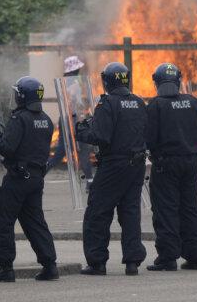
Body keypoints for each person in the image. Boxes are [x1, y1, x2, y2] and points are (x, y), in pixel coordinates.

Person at [0, 76, 59, 282]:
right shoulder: (45, 119)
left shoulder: (20, 118)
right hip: (36, 178)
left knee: (3, 220)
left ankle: (5, 268)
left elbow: (8, 148)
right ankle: (49, 265)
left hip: (17, 178)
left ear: (23, 96)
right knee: (35, 221)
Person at [76, 62, 147, 276]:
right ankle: (132, 261)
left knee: (98, 211)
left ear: (107, 81)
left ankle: (97, 262)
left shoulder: (108, 104)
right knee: (130, 212)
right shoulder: (139, 102)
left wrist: (82, 131)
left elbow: (101, 137)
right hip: (137, 165)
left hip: (114, 164)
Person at [145, 63, 197, 271]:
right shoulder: (193, 102)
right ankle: (195, 255)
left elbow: (149, 138)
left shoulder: (156, 105)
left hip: (165, 164)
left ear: (157, 82)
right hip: (190, 162)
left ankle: (168, 257)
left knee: (165, 210)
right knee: (189, 208)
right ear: (178, 81)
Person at [47, 56, 94, 186]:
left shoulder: (66, 82)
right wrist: (81, 117)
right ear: (75, 69)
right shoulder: (73, 83)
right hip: (72, 118)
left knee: (61, 151)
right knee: (83, 149)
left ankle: (41, 173)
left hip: (66, 118)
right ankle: (90, 181)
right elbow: (74, 103)